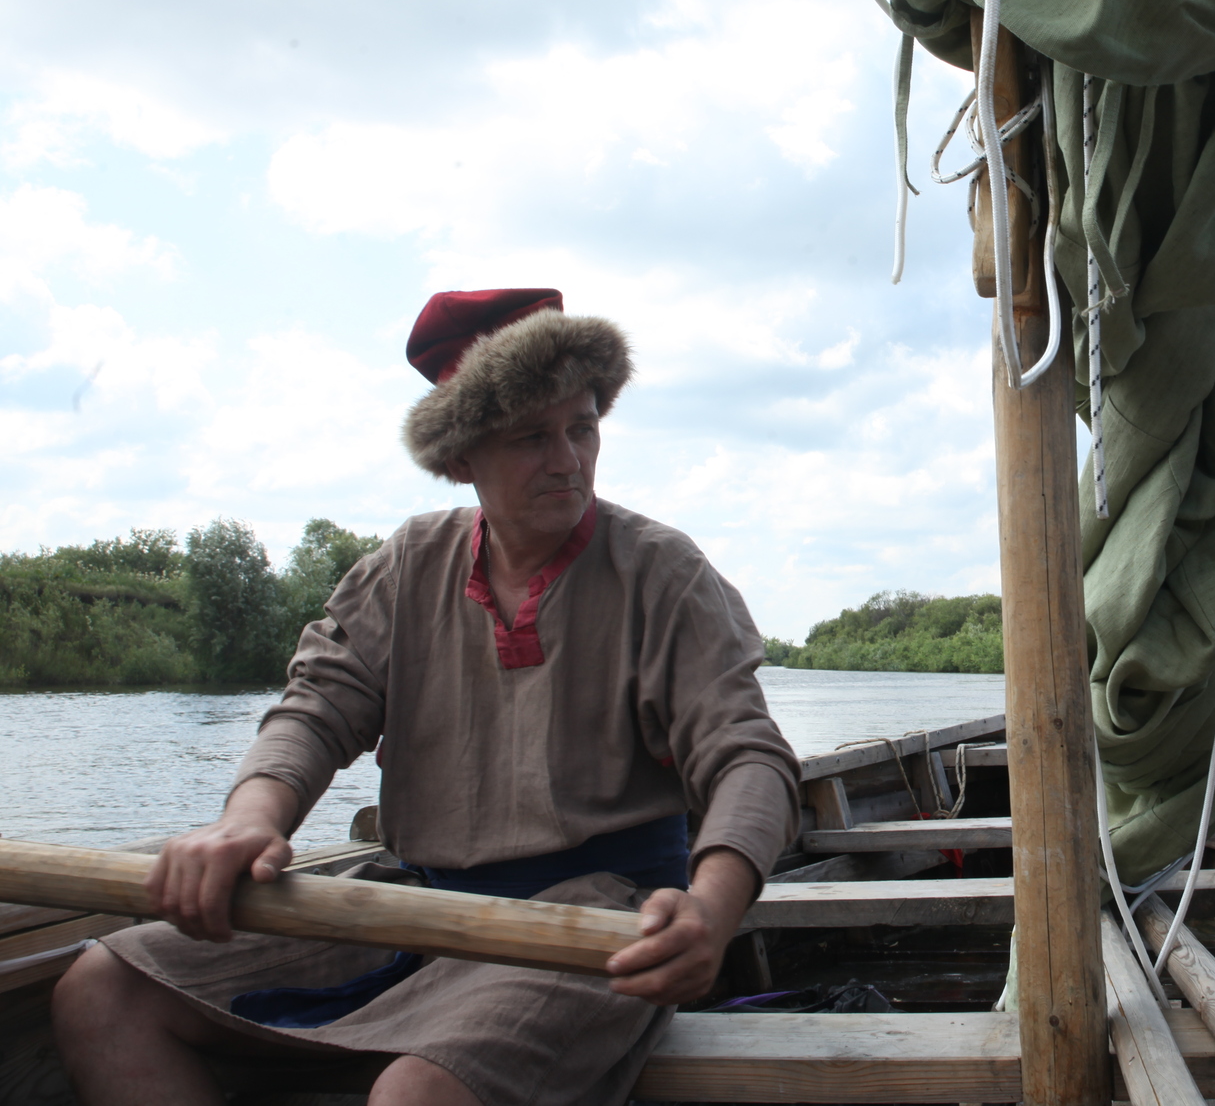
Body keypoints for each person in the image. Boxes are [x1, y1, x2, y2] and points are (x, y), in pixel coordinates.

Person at [53, 289, 801, 1106]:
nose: (567, 459)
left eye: (581, 428)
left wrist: (712, 905)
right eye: (530, 437)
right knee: (101, 989)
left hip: (598, 920)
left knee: (419, 1093)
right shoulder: (409, 562)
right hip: (417, 906)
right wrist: (249, 823)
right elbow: (315, 708)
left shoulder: (660, 571)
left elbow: (749, 759)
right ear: (460, 460)